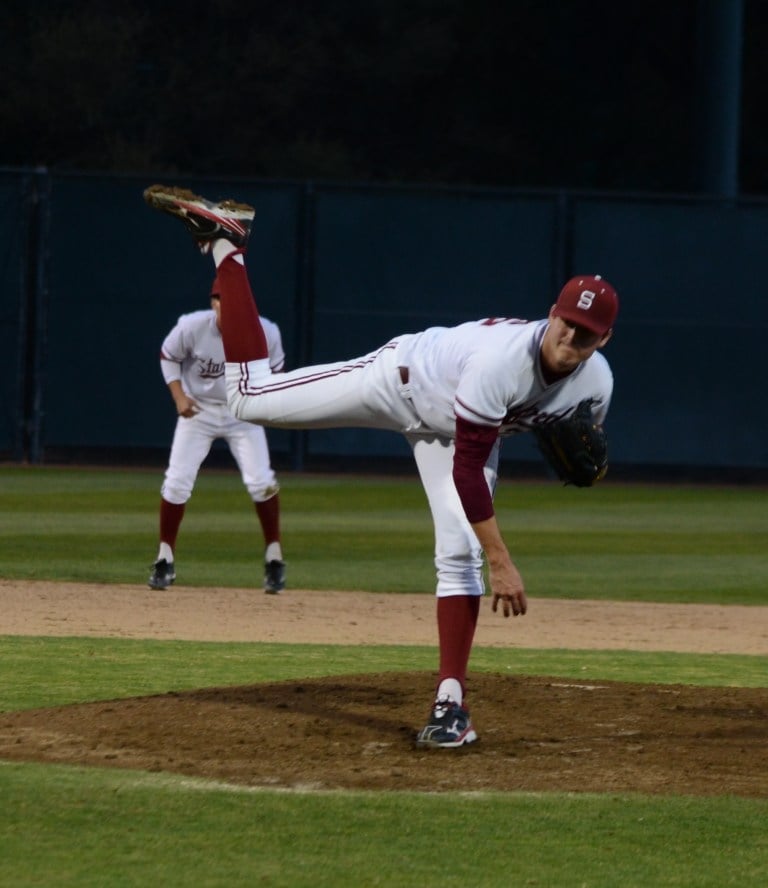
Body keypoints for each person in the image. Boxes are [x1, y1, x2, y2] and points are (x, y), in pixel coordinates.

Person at [144, 184, 618, 749]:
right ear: (552, 314)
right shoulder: (501, 364)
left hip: (458, 427)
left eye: (585, 333)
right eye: (565, 322)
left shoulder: (596, 385)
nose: (570, 336)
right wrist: (505, 560)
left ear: (604, 337)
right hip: (399, 381)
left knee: (458, 554)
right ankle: (229, 247)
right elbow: (469, 470)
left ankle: (450, 706)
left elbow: (545, 442)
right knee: (248, 399)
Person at [148, 279, 287, 595]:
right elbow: (168, 355)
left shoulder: (266, 331)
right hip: (200, 411)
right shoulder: (192, 327)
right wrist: (178, 396)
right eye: (225, 302)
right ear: (214, 303)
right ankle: (164, 558)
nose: (232, 309)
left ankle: (274, 558)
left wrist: (265, 405)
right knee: (177, 481)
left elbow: (277, 373)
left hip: (244, 411)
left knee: (262, 481)